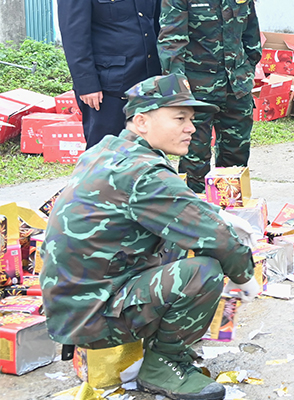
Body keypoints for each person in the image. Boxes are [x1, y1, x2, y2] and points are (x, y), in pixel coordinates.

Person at [41, 74, 259, 400]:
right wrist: (245, 276)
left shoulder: (110, 150)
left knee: (182, 240)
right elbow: (216, 237)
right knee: (204, 272)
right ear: (142, 121)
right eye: (179, 118)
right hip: (92, 317)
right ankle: (163, 366)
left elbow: (183, 209)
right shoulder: (143, 172)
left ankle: (160, 341)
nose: (191, 128)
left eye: (191, 119)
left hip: (78, 303)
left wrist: (217, 215)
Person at [158, 0, 262, 193]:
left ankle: (230, 208)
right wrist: (177, 87)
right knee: (194, 154)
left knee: (236, 153)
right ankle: (193, 207)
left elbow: (250, 30)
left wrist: (249, 67)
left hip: (236, 86)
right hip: (196, 88)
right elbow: (171, 42)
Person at [56, 0, 162, 147]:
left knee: (145, 148)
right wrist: (87, 85)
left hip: (146, 82)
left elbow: (155, 26)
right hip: (107, 87)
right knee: (105, 151)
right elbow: (75, 39)